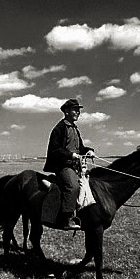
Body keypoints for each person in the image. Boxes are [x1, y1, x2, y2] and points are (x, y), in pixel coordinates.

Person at [42, 99, 95, 230]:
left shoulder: (75, 129)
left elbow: (80, 148)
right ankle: (67, 219)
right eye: (75, 110)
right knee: (73, 186)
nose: (78, 112)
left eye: (79, 110)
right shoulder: (59, 128)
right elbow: (55, 149)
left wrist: (88, 151)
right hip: (63, 166)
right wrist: (70, 155)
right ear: (66, 111)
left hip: (75, 166)